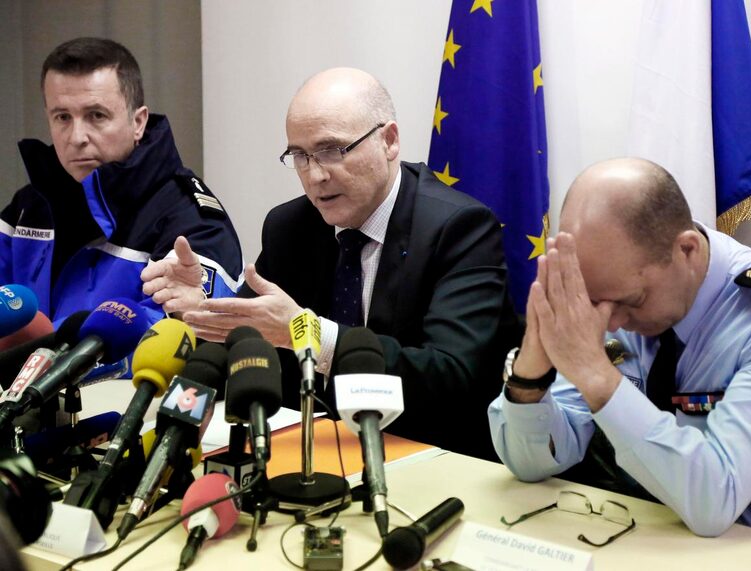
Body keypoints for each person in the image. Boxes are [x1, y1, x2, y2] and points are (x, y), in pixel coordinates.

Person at [142, 67, 519, 459]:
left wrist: (309, 335)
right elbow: (245, 340)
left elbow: (452, 377)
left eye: (332, 151)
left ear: (389, 141)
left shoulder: (459, 228)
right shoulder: (290, 226)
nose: (315, 175)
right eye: (300, 156)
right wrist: (203, 307)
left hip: (433, 455)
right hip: (318, 451)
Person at [489, 157, 751, 536]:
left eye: (632, 301)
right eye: (597, 302)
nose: (612, 323)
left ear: (686, 250)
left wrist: (598, 377)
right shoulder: (612, 289)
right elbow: (532, 464)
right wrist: (530, 375)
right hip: (650, 537)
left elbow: (715, 501)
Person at [0, 37, 243, 325]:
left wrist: (188, 311)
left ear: (138, 122)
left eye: (96, 115)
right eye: (63, 117)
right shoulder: (28, 206)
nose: (77, 137)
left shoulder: (191, 219)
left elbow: (207, 329)